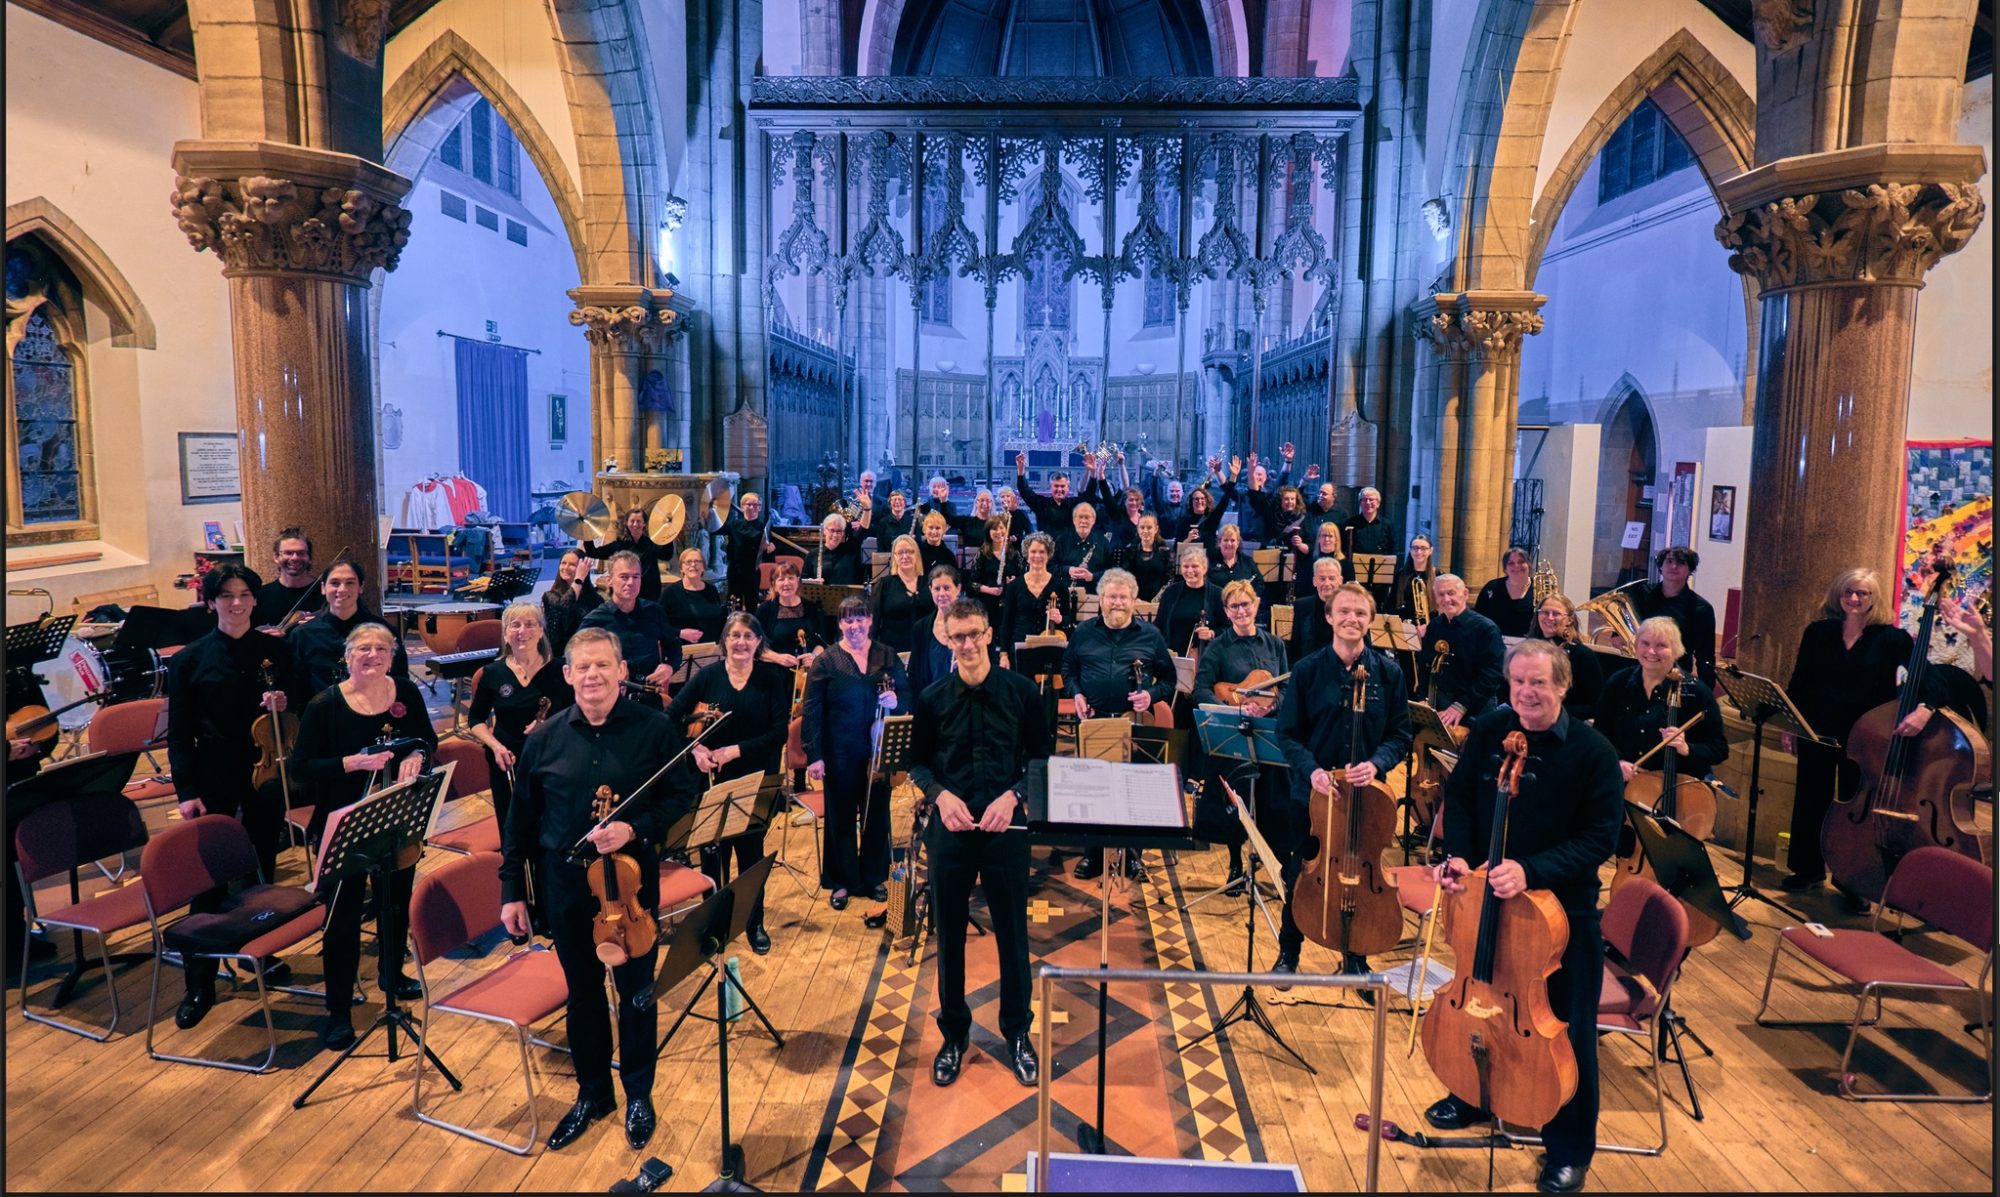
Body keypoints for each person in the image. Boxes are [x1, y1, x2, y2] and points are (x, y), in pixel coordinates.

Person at [1426, 639, 1624, 1194]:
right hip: (1487, 898)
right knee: (1480, 999)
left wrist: (1530, 870)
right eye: (1517, 683)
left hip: (1561, 916)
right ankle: (1472, 1095)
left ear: (1562, 685)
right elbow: (1461, 797)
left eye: (1538, 683)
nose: (1526, 694)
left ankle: (1568, 1149)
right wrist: (1460, 855)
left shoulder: (1593, 753)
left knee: (1566, 1032)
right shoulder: (1491, 731)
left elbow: (1599, 840)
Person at [501, 627, 687, 1152]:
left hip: (630, 887)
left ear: (622, 670)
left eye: (603, 665)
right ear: (567, 675)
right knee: (582, 995)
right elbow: (519, 824)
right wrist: (512, 888)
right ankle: (592, 1094)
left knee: (636, 995)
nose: (593, 676)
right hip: (566, 887)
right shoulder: (542, 740)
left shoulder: (655, 730)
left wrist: (637, 828)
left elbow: (682, 794)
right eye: (583, 667)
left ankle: (638, 1094)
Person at [909, 598, 1048, 1089]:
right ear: (946, 638)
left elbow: (1041, 759)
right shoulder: (931, 698)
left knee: (1013, 935)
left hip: (1005, 831)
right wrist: (940, 795)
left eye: (974, 634)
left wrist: (1013, 797)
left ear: (989, 633)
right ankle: (954, 1035)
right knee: (948, 936)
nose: (967, 644)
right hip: (951, 829)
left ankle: (1017, 1033)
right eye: (957, 636)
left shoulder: (1023, 693)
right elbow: (918, 764)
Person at [291, 623, 436, 1050]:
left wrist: (417, 754)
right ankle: (337, 1010)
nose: (372, 655)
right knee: (342, 920)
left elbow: (426, 738)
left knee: (394, 906)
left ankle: (392, 974)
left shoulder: (406, 692)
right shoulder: (325, 705)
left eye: (381, 649)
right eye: (363, 649)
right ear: (348, 656)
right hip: (342, 824)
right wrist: (348, 765)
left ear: (392, 656)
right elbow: (301, 768)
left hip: (394, 820)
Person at [1272, 583, 1411, 978]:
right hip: (1312, 795)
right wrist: (1313, 771)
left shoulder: (1388, 672)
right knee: (1301, 871)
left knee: (1360, 871)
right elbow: (1288, 734)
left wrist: (1376, 762)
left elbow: (1400, 734)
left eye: (1361, 613)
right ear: (1330, 617)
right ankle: (1289, 951)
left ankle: (1356, 955)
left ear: (1370, 621)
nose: (1352, 619)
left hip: (1368, 798)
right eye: (1344, 612)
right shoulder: (1307, 670)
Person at [1781, 567, 1942, 894]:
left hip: (1865, 737)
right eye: (1848, 592)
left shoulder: (1892, 638)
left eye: (1862, 593)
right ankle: (1807, 870)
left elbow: (1931, 681)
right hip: (1817, 729)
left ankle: (1851, 880)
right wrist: (1791, 725)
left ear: (1874, 598)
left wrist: (1924, 710)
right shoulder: (1818, 632)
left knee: (1856, 809)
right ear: (1838, 596)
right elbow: (1800, 682)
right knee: (1810, 800)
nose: (1854, 599)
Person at [166, 563, 299, 936]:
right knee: (212, 868)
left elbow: (298, 707)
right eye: (226, 596)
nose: (236, 603)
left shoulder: (276, 651)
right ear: (211, 603)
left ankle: (259, 950)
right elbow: (179, 734)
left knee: (263, 860)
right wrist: (186, 791)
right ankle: (201, 969)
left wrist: (284, 702)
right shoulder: (188, 661)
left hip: (266, 769)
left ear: (255, 600)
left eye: (244, 595)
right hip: (214, 770)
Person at [668, 612, 792, 953]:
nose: (740, 642)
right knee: (713, 858)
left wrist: (734, 751)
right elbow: (669, 720)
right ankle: (715, 926)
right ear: (724, 641)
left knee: (751, 857)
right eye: (735, 636)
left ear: (758, 643)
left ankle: (754, 923)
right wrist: (695, 749)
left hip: (754, 782)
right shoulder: (708, 677)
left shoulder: (771, 678)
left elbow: (778, 732)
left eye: (748, 637)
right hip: (710, 782)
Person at [1062, 568, 1177, 880]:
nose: (1117, 602)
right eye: (1111, 597)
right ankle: (1093, 854)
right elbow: (1068, 668)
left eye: (1122, 597)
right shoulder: (1084, 632)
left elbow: (1170, 679)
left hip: (1133, 722)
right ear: (1101, 600)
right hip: (1094, 719)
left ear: (1133, 600)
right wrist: (1077, 694)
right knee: (1093, 789)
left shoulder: (1150, 636)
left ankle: (1133, 855)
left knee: (1133, 790)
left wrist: (1150, 695)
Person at [803, 596, 912, 909]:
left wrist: (897, 701)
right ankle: (842, 881)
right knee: (840, 816)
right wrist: (815, 755)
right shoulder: (827, 661)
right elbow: (812, 712)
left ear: (870, 621)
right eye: (848, 620)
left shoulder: (887, 654)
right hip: (839, 751)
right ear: (840, 624)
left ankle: (874, 877)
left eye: (860, 619)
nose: (855, 626)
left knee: (877, 813)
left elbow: (906, 694)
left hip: (878, 750)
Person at [1192, 580, 1292, 887]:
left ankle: (1280, 866)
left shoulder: (1275, 644)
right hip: (1235, 732)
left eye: (1245, 604)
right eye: (1234, 606)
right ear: (1226, 610)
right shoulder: (1219, 647)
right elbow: (1201, 688)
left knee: (1275, 802)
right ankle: (1236, 863)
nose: (1241, 611)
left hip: (1269, 731)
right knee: (1235, 802)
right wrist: (1235, 709)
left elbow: (1287, 688)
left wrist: (1271, 707)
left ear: (1257, 604)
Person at [467, 601, 573, 833]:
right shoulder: (492, 674)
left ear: (541, 631)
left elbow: (576, 712)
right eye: (515, 625)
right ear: (505, 634)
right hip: (507, 761)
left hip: (552, 760)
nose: (522, 631)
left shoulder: (561, 671)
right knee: (511, 830)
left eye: (530, 624)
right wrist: (495, 746)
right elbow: (475, 719)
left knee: (549, 829)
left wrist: (549, 724)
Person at [1595, 617, 1729, 783]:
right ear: (1636, 647)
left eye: (1661, 645)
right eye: (1645, 643)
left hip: (1676, 786)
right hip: (1625, 780)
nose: (1651, 651)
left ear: (1676, 650)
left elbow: (1719, 749)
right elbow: (1600, 732)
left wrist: (1688, 748)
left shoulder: (1696, 692)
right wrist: (1617, 761)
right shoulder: (1618, 683)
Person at [287, 559, 409, 693]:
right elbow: (296, 687)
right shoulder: (303, 634)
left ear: (361, 587)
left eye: (350, 583)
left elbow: (400, 680)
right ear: (323, 588)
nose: (342, 589)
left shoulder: (384, 631)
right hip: (323, 710)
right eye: (335, 583)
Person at [579, 550, 677, 708]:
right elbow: (574, 660)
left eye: (636, 576)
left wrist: (669, 665)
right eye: (624, 577)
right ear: (609, 580)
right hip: (612, 702)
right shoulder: (595, 620)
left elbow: (673, 645)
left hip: (650, 698)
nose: (631, 582)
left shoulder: (654, 611)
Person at [1421, 574, 1505, 732]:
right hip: (1440, 705)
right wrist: (1423, 698)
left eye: (1451, 593)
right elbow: (1424, 666)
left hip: (1476, 707)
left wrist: (1462, 705)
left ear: (1465, 594)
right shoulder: (1435, 626)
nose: (1446, 599)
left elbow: (1492, 675)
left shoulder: (1486, 629)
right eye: (1441, 594)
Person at [1632, 546, 1717, 686]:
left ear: (1690, 570)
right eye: (1669, 561)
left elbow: (1705, 655)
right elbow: (1625, 620)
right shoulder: (1643, 594)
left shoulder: (1701, 608)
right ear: (1660, 566)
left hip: (1676, 674)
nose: (1674, 566)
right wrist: (1615, 634)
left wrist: (1706, 691)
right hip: (1638, 668)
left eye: (1681, 563)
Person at [908, 567, 988, 696]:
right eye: (937, 589)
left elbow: (989, 663)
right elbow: (914, 673)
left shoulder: (974, 625)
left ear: (958, 588)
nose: (941, 594)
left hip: (968, 699)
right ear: (930, 590)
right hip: (933, 704)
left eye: (947, 588)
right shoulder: (920, 628)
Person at [998, 532, 1070, 669]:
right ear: (1026, 554)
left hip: (1049, 647)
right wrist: (1003, 654)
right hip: (1020, 648)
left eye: (1042, 552)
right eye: (1033, 552)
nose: (1037, 556)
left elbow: (1068, 619)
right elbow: (1006, 623)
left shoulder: (1060, 586)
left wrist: (1061, 619)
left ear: (1048, 555)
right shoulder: (1014, 586)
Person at [1529, 593, 1605, 721]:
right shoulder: (1527, 650)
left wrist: (1553, 712)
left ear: (1569, 620)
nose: (1550, 617)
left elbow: (1595, 706)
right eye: (1545, 612)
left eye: (1556, 614)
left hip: (1566, 723)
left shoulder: (1582, 655)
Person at [581, 508, 668, 604]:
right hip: (625, 595)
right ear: (627, 523)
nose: (635, 524)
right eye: (632, 521)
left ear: (644, 524)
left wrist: (669, 533)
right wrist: (587, 531)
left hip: (649, 596)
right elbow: (593, 552)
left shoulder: (652, 544)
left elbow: (666, 555)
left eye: (638, 521)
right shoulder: (619, 545)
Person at [1154, 543, 1225, 659]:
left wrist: (1212, 633)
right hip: (1172, 656)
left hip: (1205, 658)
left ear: (1205, 568)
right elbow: (1159, 625)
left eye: (1195, 566)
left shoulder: (1217, 594)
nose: (1190, 570)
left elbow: (1228, 629)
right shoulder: (1171, 592)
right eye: (1186, 566)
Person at [756, 559, 826, 664]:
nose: (786, 583)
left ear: (798, 581)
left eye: (791, 578)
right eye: (781, 579)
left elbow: (821, 642)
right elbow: (756, 646)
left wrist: (814, 656)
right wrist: (777, 658)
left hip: (806, 670)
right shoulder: (765, 609)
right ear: (774, 584)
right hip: (775, 669)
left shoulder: (811, 607)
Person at [253, 527, 325, 628]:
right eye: (288, 553)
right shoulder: (261, 595)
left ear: (310, 558)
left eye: (301, 553)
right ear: (276, 557)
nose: (295, 558)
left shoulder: (326, 593)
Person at [872, 535, 932, 654]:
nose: (905, 556)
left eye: (910, 551)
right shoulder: (884, 584)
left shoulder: (929, 583)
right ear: (894, 556)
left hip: (926, 649)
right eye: (900, 552)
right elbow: (874, 622)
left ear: (917, 554)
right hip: (893, 651)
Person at [541, 548, 603, 659]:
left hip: (588, 653)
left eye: (572, 565)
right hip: (560, 656)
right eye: (563, 563)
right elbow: (564, 610)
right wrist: (578, 579)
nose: (565, 568)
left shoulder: (595, 599)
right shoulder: (550, 596)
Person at [717, 490, 773, 609]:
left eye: (755, 505)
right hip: (735, 571)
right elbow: (715, 529)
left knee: (752, 605)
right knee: (733, 605)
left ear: (760, 508)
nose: (752, 507)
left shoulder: (763, 528)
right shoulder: (734, 525)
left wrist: (769, 549)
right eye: (748, 504)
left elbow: (768, 553)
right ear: (742, 507)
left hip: (753, 572)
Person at [1342, 486, 1398, 605]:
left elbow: (1393, 549)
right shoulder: (1350, 523)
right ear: (1360, 503)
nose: (1368, 502)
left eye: (1371, 500)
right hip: (1355, 577)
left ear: (1378, 503)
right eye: (1364, 499)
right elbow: (1343, 548)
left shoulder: (1387, 525)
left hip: (1380, 578)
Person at [661, 546, 727, 646]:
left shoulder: (712, 590)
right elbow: (659, 625)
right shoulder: (670, 592)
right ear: (681, 567)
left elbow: (719, 620)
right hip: (682, 651)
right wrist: (680, 633)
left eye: (697, 561)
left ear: (703, 567)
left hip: (712, 650)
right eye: (688, 562)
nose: (693, 565)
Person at [1288, 556, 1345, 663]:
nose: (1327, 584)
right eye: (1322, 579)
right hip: (1309, 670)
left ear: (1340, 581)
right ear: (1314, 581)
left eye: (1332, 578)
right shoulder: (1302, 606)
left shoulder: (1351, 608)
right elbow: (1295, 646)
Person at [1473, 547, 1536, 638]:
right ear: (1505, 569)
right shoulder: (1491, 587)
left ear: (1529, 565)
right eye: (1511, 563)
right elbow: (1479, 618)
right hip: (1495, 642)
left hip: (1528, 645)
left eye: (1521, 562)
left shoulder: (1538, 589)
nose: (1516, 566)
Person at [969, 515, 1020, 627]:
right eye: (994, 529)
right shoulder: (982, 554)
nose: (999, 532)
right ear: (988, 532)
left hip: (1009, 602)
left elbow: (1023, 579)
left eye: (1002, 528)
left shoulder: (1014, 554)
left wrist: (1014, 582)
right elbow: (972, 583)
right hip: (987, 603)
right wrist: (989, 590)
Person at [1014, 452, 1083, 534]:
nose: (1059, 489)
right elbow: (1025, 491)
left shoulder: (1074, 505)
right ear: (1050, 487)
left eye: (1062, 486)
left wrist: (1092, 473)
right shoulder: (1041, 504)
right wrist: (1020, 471)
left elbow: (1087, 495)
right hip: (1045, 545)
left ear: (1068, 488)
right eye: (1056, 486)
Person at [1053, 502, 1112, 594]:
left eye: (1087, 517)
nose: (1083, 521)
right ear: (1074, 520)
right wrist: (1068, 570)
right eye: (1080, 517)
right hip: (1065, 595)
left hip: (1096, 595)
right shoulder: (1061, 541)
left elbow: (1112, 572)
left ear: (1093, 520)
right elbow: (1050, 567)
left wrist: (1093, 576)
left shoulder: (1103, 542)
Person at [1121, 512, 1173, 603]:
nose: (1145, 531)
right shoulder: (1130, 551)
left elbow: (1170, 580)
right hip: (1134, 602)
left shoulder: (1165, 552)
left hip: (1158, 603)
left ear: (1156, 529)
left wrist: (1158, 599)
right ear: (1137, 529)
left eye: (1149, 527)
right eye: (1142, 527)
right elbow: (1124, 578)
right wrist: (1134, 598)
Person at [813, 507, 872, 585]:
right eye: (832, 530)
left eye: (839, 531)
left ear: (843, 533)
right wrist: (812, 582)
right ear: (824, 531)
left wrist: (867, 509)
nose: (835, 535)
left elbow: (863, 530)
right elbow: (804, 580)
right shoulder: (813, 554)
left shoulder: (851, 550)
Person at [1390, 534, 1438, 624]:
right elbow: (1391, 604)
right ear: (1410, 550)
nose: (1419, 552)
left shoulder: (1438, 576)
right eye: (1415, 548)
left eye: (1423, 548)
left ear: (1431, 550)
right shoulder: (1400, 575)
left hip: (1430, 627)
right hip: (1405, 626)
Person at [918, 511, 957, 577]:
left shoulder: (949, 556)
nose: (934, 532)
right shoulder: (917, 553)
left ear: (944, 531)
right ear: (924, 530)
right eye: (930, 527)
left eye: (938, 528)